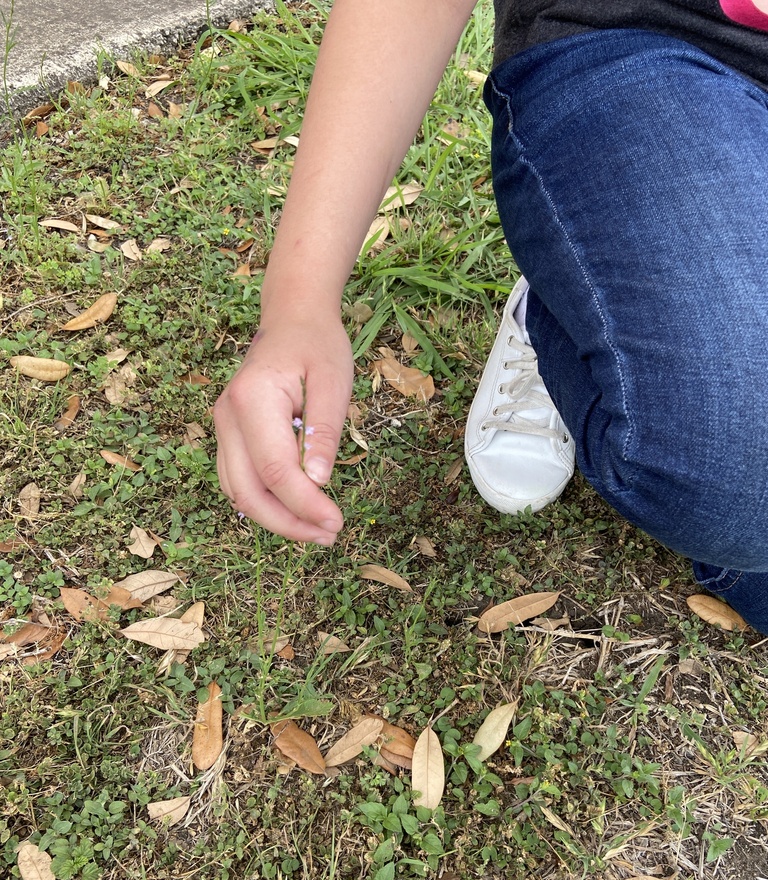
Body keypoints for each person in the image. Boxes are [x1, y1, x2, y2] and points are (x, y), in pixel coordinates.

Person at [213, 0, 768, 634]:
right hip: (653, 44)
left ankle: (606, 295)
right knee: (741, 479)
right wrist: (298, 305)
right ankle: (573, 305)